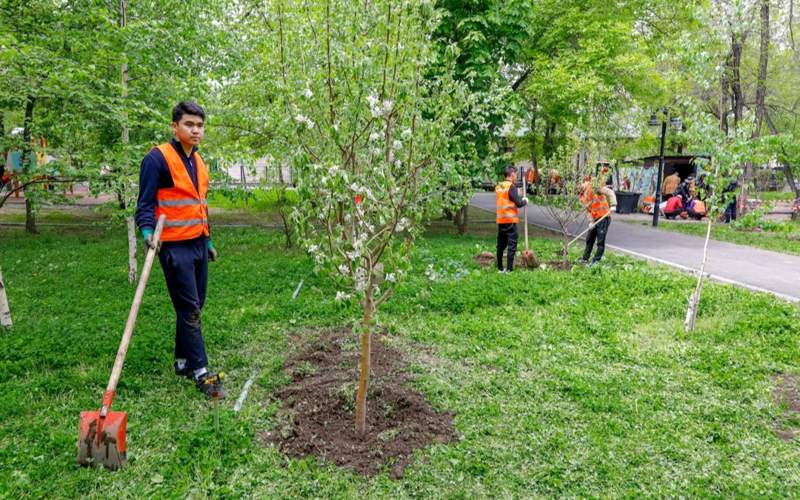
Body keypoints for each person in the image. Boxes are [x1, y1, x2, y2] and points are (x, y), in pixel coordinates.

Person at [134, 101, 225, 399]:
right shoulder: (157, 159)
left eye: (199, 125)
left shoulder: (199, 162)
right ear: (175, 126)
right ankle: (201, 372)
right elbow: (145, 205)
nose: (195, 130)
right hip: (174, 247)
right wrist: (148, 233)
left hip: (198, 242)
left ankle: (182, 361)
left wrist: (208, 240)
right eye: (189, 124)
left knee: (196, 304)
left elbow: (201, 205)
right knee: (189, 309)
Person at [496, 166, 528, 272]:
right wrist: (525, 201)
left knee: (500, 245)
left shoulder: (499, 186)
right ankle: (509, 269)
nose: (516, 177)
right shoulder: (511, 187)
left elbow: (507, 197)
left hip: (501, 221)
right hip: (510, 221)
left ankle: (500, 268)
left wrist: (517, 190)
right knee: (512, 245)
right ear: (512, 174)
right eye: (515, 174)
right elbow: (518, 203)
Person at [579, 176, 616, 265]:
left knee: (600, 240)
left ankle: (596, 260)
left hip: (604, 217)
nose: (581, 186)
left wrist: (613, 204)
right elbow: (588, 211)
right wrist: (591, 221)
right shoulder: (581, 197)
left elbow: (610, 192)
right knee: (589, 239)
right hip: (595, 219)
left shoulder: (594, 187)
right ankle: (585, 258)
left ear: (585, 182)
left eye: (582, 184)